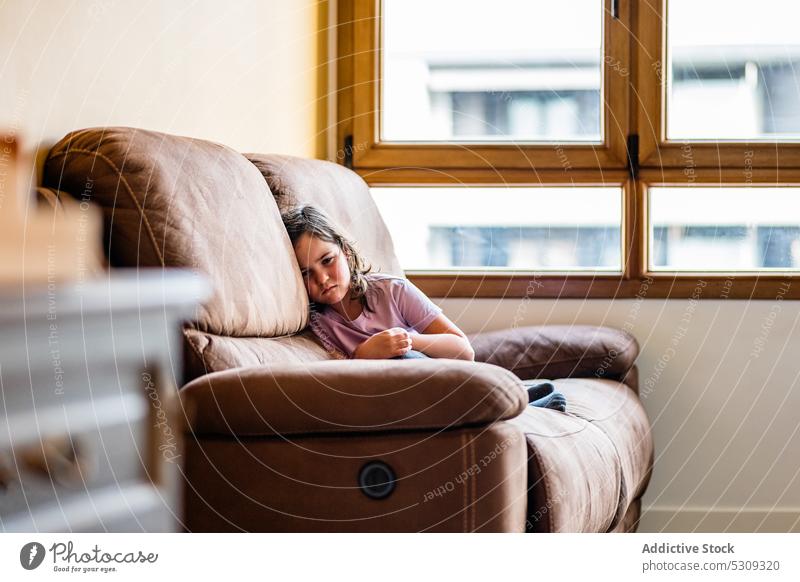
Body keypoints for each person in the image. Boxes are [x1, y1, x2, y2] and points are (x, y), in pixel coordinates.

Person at [281, 204, 566, 412]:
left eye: (327, 260)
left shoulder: (393, 290)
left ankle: (504, 398)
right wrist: (364, 355)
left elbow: (463, 350)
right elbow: (336, 383)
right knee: (393, 370)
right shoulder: (318, 323)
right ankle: (511, 401)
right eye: (306, 273)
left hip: (428, 373)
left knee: (406, 360)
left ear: (344, 251)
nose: (322, 278)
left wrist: (407, 340)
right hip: (389, 394)